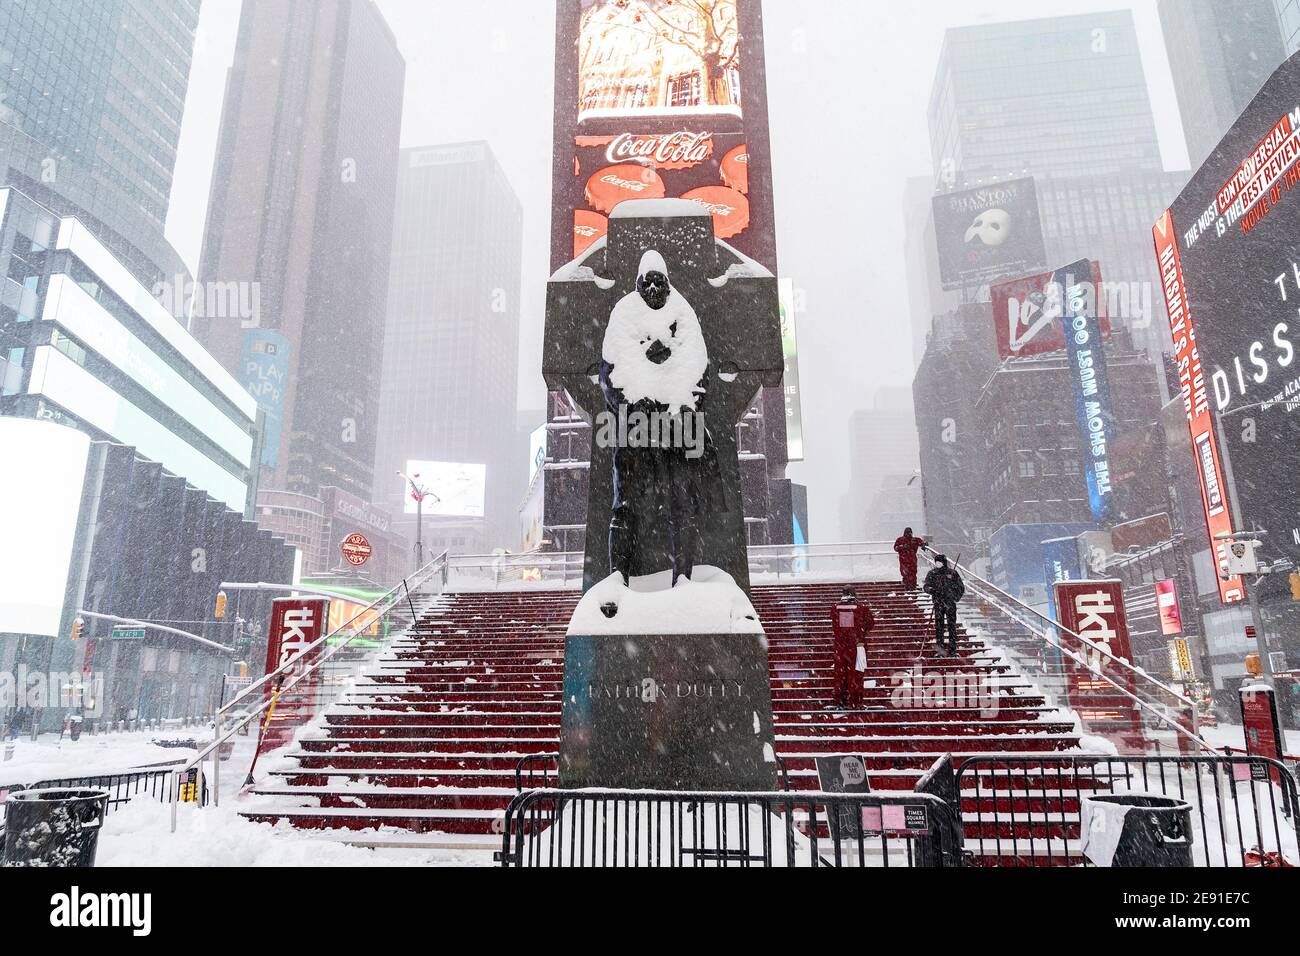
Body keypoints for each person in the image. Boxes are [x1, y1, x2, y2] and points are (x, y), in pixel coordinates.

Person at [830, 586, 874, 709]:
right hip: (858, 646)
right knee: (857, 674)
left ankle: (840, 700)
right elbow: (870, 624)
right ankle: (855, 701)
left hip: (840, 647)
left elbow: (835, 625)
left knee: (840, 674)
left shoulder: (835, 608)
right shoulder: (861, 608)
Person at [923, 554, 965, 656]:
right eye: (936, 561)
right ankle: (940, 650)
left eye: (939, 561)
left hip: (950, 603)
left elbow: (961, 588)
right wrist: (932, 590)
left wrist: (955, 597)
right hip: (938, 603)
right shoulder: (932, 573)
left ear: (944, 562)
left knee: (952, 627)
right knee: (939, 627)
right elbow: (926, 586)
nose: (937, 563)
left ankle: (953, 650)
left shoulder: (952, 573)